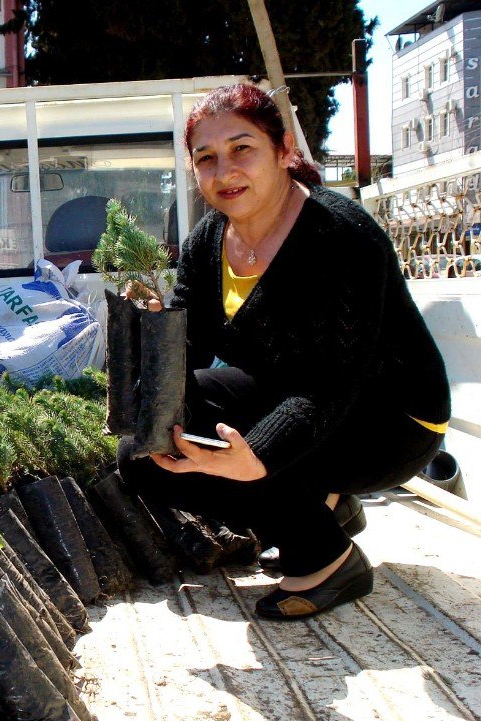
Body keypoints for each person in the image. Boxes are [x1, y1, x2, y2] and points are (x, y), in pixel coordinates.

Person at [117, 83, 450, 619]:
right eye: (207, 158)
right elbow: (190, 354)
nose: (224, 172)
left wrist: (258, 458)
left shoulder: (340, 238)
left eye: (241, 148)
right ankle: (325, 507)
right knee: (145, 448)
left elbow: (330, 384)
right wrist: (154, 335)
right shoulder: (208, 242)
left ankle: (329, 560)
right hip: (292, 394)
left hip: (390, 420)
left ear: (282, 149)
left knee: (248, 456)